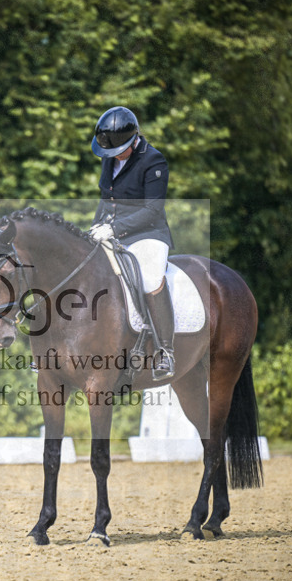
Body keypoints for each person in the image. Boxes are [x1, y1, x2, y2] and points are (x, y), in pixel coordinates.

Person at [88, 106, 175, 380]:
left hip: (148, 233)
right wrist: (95, 226)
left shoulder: (154, 161)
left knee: (149, 279)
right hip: (111, 231)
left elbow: (152, 211)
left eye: (118, 152)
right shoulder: (109, 157)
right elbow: (106, 198)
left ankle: (165, 351)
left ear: (133, 140)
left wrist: (113, 228)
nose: (112, 158)